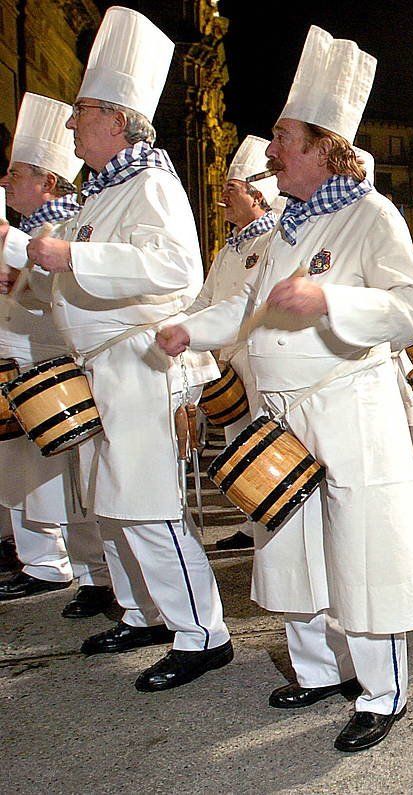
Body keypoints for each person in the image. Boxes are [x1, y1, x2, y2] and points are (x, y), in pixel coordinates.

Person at [158, 26, 413, 752]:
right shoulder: (286, 225)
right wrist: (194, 328)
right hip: (287, 415)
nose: (270, 150)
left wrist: (333, 302)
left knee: (362, 552)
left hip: (351, 407)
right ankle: (318, 669)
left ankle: (382, 691)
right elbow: (250, 309)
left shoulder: (371, 215)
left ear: (324, 148)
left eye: (283, 136)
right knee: (293, 544)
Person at [0, 8, 231, 690]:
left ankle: (202, 631)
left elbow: (174, 270)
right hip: (105, 368)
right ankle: (142, 611)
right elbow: (61, 276)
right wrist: (25, 255)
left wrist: (69, 254)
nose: (71, 125)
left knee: (150, 505)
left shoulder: (151, 183)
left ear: (116, 119)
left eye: (82, 112)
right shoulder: (102, 193)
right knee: (114, 503)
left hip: (141, 365)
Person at [0, 93, 112, 618]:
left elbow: (64, 292)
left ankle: (82, 569)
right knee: (35, 477)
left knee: (73, 481)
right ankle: (50, 559)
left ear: (48, 181)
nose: (6, 182)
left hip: (55, 370)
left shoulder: (67, 224)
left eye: (16, 173)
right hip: (26, 366)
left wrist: (11, 253)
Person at [193, 135, 279, 552]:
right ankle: (251, 521)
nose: (222, 198)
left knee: (261, 443)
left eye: (231, 189)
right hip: (229, 361)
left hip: (258, 357)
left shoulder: (272, 240)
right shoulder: (229, 249)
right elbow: (205, 301)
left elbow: (247, 305)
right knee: (236, 446)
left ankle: (272, 521)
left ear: (257, 195)